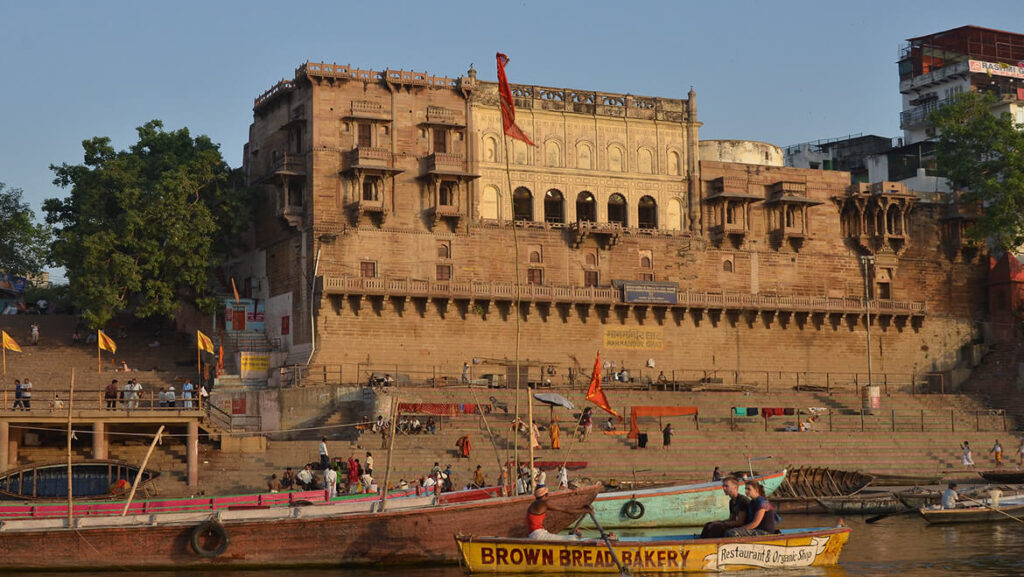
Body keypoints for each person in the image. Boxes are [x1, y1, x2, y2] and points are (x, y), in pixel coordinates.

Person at [526, 486, 591, 540]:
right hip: (538, 535)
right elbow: (566, 510)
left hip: (535, 534)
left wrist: (582, 507)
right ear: (546, 494)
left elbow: (565, 507)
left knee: (567, 537)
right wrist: (584, 510)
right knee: (572, 538)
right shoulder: (543, 503)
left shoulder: (535, 504)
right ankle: (576, 536)